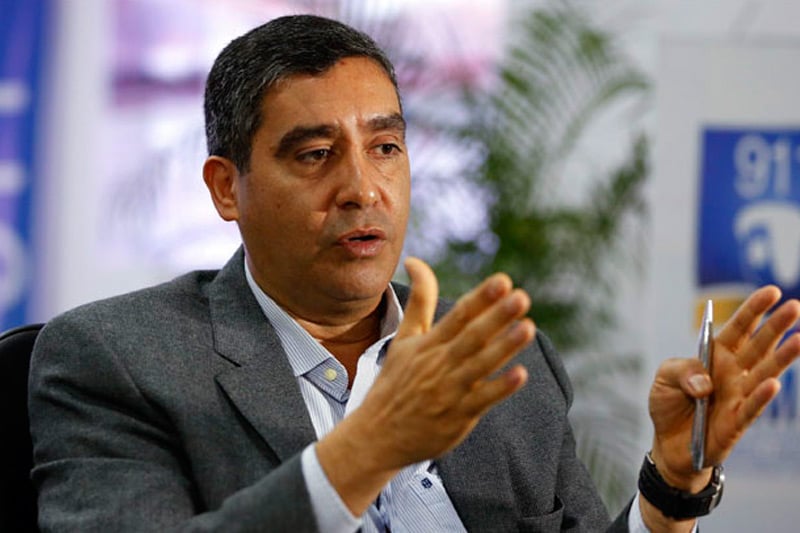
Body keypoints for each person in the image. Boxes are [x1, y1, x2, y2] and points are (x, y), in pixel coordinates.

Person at [28, 14, 800, 533]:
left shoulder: (504, 358)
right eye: (315, 154)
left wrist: (671, 483)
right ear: (227, 188)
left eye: (386, 148)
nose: (363, 188)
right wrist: (373, 445)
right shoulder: (118, 358)